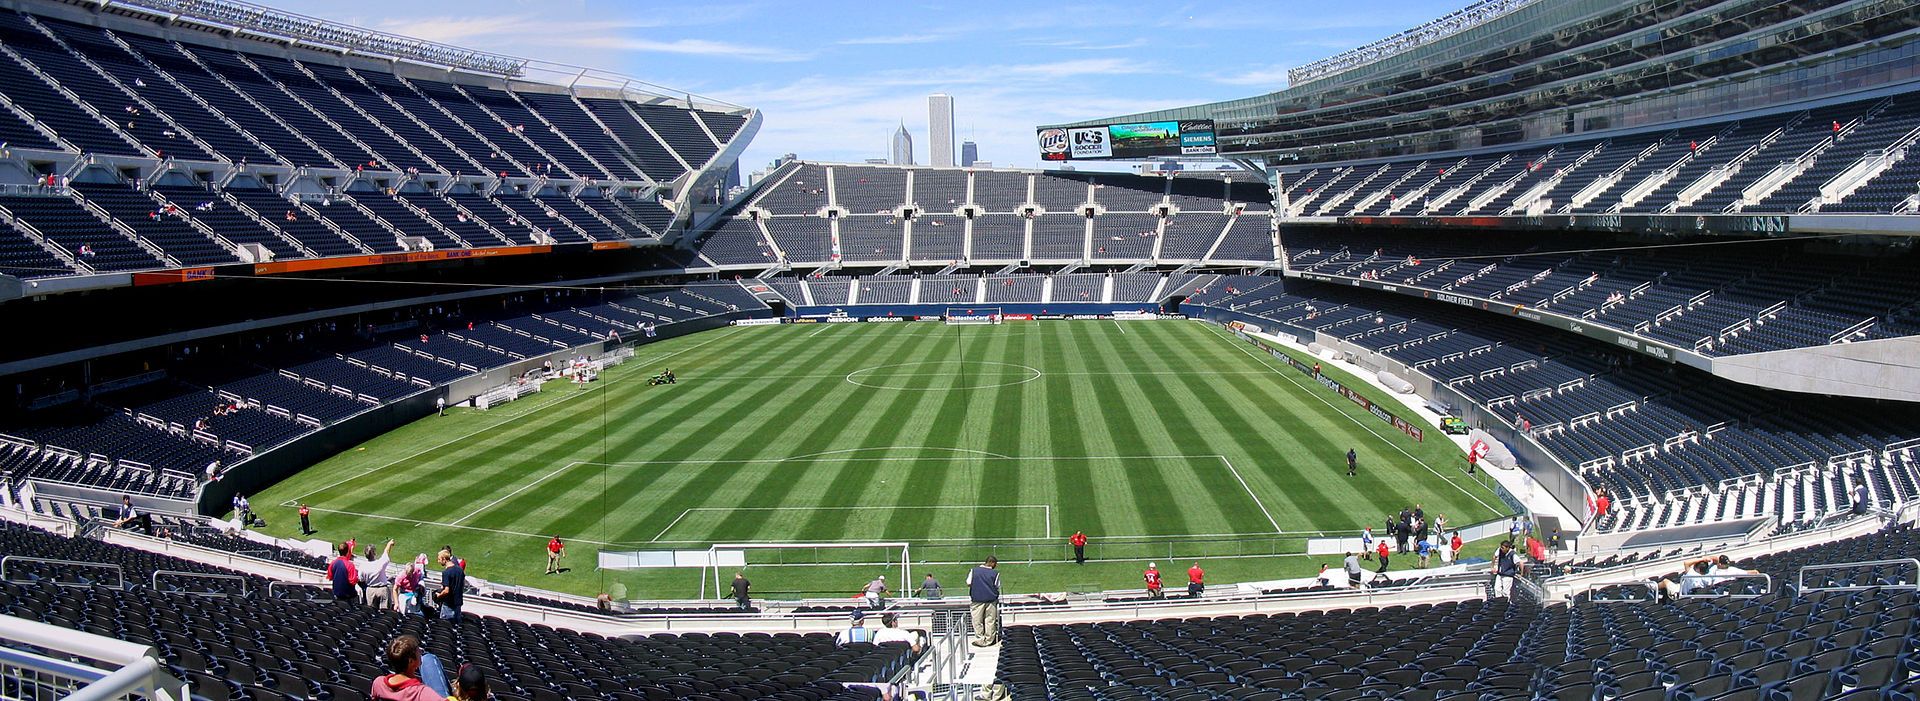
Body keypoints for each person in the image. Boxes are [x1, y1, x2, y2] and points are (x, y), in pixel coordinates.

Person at [369, 634, 448, 700]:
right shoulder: (421, 693)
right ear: (411, 661)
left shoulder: (378, 683)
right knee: (429, 658)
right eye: (417, 650)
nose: (421, 651)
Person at [968, 556, 1001, 647]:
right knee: (990, 620)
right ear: (993, 563)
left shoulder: (974, 571)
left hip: (977, 599)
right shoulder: (995, 573)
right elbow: (997, 585)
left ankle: (980, 639)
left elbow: (968, 582)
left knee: (977, 620)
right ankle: (989, 640)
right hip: (991, 600)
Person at [435, 549, 464, 621]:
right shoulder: (460, 570)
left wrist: (439, 595)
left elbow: (446, 591)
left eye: (439, 559)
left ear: (444, 559)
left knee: (445, 627)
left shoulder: (446, 572)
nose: (438, 561)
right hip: (458, 603)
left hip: (448, 605)